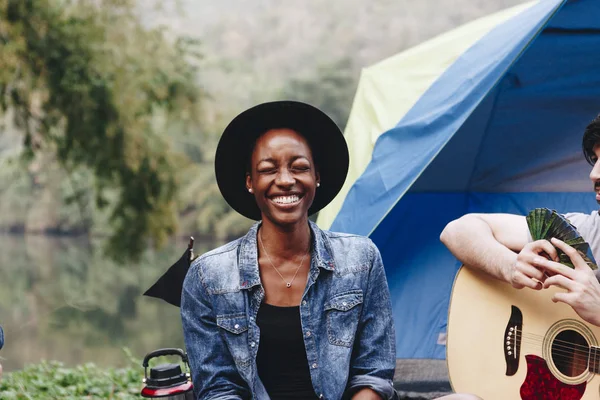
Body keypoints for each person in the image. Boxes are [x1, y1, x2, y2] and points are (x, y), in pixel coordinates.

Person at [180, 101, 477, 400]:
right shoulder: (209, 276)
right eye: (268, 170)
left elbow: (373, 373)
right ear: (250, 182)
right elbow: (218, 389)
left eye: (299, 168)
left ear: (317, 177)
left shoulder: (360, 259)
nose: (285, 180)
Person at [440, 114, 600, 328]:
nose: (594, 173)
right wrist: (510, 266)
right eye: (596, 159)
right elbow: (457, 230)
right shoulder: (584, 232)